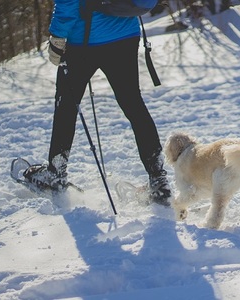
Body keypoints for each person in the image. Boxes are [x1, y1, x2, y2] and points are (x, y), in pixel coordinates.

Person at [23, 0, 171, 206]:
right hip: (124, 35)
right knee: (133, 104)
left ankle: (56, 173)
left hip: (82, 41)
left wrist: (57, 36)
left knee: (66, 106)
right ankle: (158, 180)